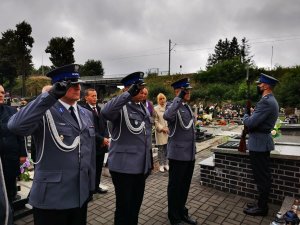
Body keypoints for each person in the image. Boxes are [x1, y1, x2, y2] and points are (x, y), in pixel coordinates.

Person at [8, 64, 96, 225]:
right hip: (52, 198)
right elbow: (15, 126)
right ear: (60, 86)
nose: (78, 87)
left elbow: (88, 151)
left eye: (79, 83)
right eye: (72, 84)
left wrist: (91, 185)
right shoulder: (44, 111)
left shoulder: (87, 114)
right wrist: (49, 96)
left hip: (79, 194)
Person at [101, 72, 153, 225]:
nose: (141, 91)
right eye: (138, 88)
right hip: (124, 168)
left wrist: (148, 162)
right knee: (124, 209)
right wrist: (128, 94)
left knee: (135, 207)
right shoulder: (120, 107)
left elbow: (146, 137)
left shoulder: (142, 107)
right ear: (128, 89)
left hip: (140, 167)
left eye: (142, 88)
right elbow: (105, 112)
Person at [243, 73, 279, 216]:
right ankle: (260, 203)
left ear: (266, 86)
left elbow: (250, 123)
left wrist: (246, 115)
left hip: (259, 144)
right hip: (262, 142)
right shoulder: (270, 100)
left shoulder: (266, 102)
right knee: (262, 176)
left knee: (262, 177)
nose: (258, 86)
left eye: (260, 84)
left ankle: (262, 208)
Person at [163, 78, 197, 225]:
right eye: (186, 90)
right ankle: (174, 217)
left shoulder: (187, 107)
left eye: (189, 90)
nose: (189, 92)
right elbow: (168, 116)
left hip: (189, 154)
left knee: (184, 186)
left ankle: (182, 211)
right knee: (175, 187)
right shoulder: (172, 105)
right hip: (178, 155)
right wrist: (178, 98)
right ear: (179, 91)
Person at [0, 84, 27, 210]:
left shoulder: (11, 111)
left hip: (11, 157)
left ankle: (9, 212)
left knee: (10, 186)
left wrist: (23, 153)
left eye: (2, 92)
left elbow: (19, 133)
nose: (1, 95)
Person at [82, 88, 109, 194]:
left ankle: (96, 186)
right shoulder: (84, 110)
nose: (95, 98)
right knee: (90, 169)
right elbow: (89, 128)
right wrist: (101, 139)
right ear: (86, 98)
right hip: (91, 145)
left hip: (101, 145)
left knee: (98, 168)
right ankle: (89, 189)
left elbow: (105, 125)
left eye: (96, 95)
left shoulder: (100, 109)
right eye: (92, 96)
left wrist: (105, 138)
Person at [153, 93, 169, 172]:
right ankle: (161, 164)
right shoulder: (155, 109)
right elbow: (155, 121)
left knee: (167, 148)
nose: (162, 100)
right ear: (158, 100)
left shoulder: (168, 107)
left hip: (168, 131)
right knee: (161, 149)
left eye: (163, 98)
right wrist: (162, 128)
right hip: (160, 131)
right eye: (160, 99)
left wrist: (168, 128)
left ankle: (166, 163)